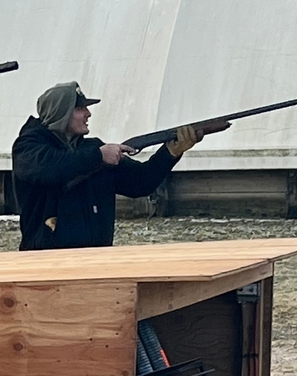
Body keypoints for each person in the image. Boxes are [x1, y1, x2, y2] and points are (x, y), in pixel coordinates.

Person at [12, 81, 203, 250]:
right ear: (61, 113)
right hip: (44, 261)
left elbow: (142, 182)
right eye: (80, 109)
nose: (88, 114)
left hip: (97, 259)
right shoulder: (28, 148)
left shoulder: (93, 150)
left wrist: (170, 153)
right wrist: (99, 156)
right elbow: (51, 168)